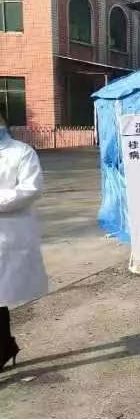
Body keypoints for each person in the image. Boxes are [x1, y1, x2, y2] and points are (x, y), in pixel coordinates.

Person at [0, 114, 48, 371]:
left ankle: (4, 347)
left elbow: (31, 189)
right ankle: (6, 345)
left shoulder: (21, 152)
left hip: (8, 233)